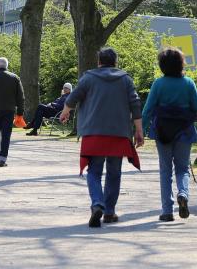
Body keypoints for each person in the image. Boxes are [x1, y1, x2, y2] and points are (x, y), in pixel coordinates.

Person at [61, 48, 143, 228]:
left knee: (94, 171)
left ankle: (97, 202)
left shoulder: (88, 78)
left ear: (99, 61)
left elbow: (73, 97)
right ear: (115, 62)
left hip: (93, 133)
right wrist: (139, 130)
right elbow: (135, 104)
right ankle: (109, 211)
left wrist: (65, 112)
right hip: (119, 133)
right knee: (114, 173)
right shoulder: (125, 79)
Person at [142, 48, 197, 222]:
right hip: (184, 130)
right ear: (181, 64)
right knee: (182, 168)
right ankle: (183, 194)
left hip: (163, 131)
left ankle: (167, 211)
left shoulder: (158, 84)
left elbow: (148, 110)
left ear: (162, 65)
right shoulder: (189, 83)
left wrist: (138, 131)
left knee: (165, 170)